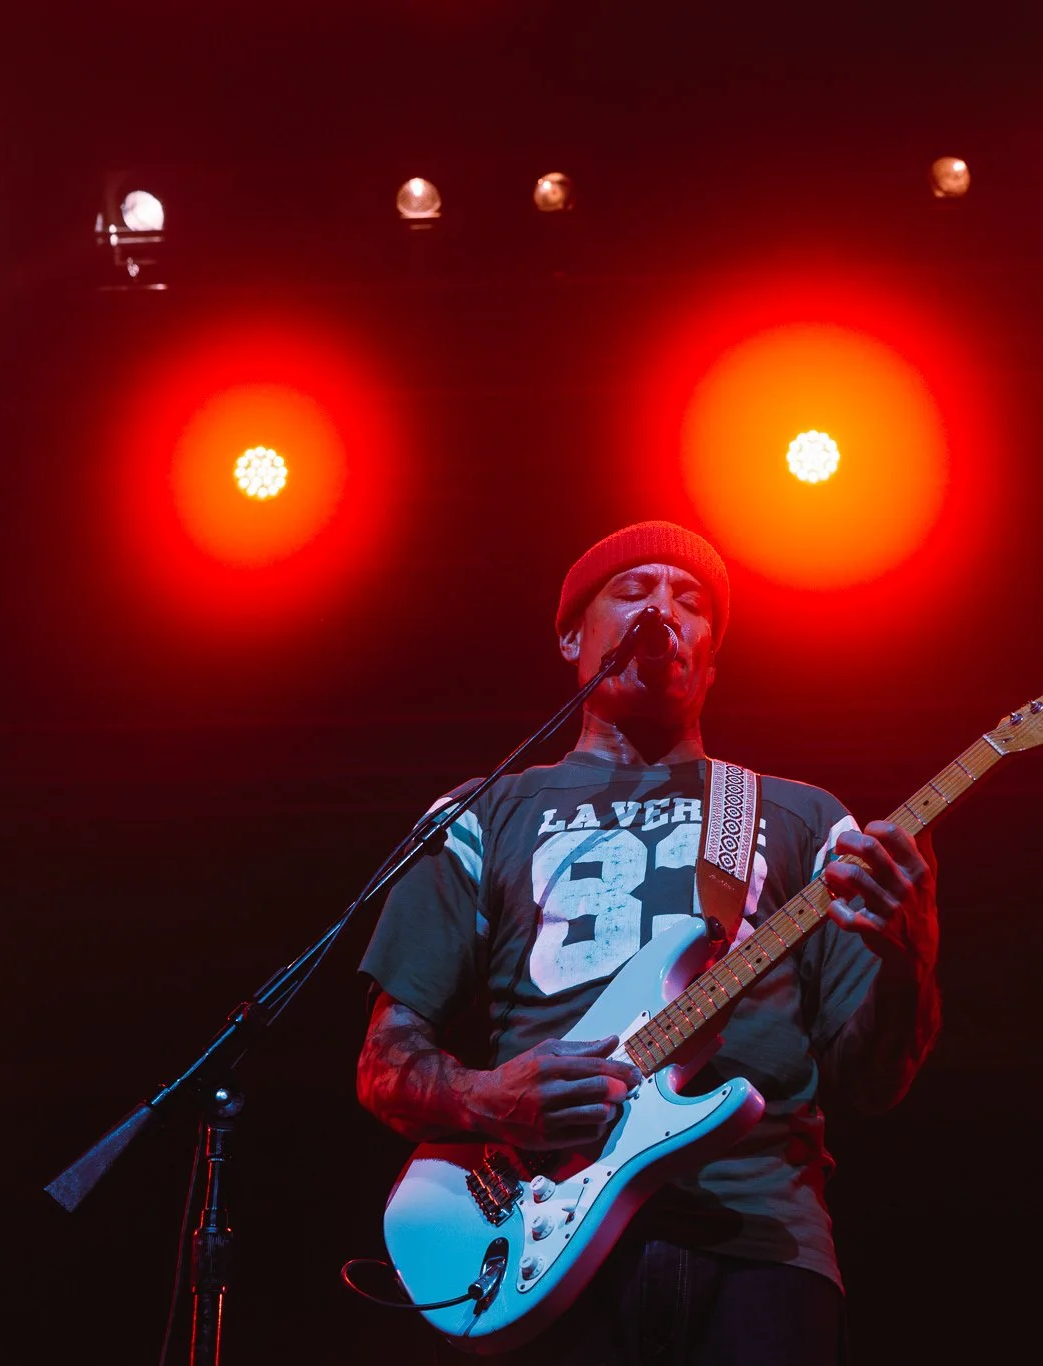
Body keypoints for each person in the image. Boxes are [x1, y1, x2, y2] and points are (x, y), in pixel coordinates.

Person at [356, 520, 942, 1365]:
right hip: (537, 1237)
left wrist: (910, 954)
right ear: (571, 639)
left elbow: (873, 1083)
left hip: (761, 1246)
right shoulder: (484, 814)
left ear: (711, 658)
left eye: (690, 602)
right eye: (633, 592)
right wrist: (490, 1097)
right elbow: (384, 1063)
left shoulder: (803, 817)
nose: (662, 611)